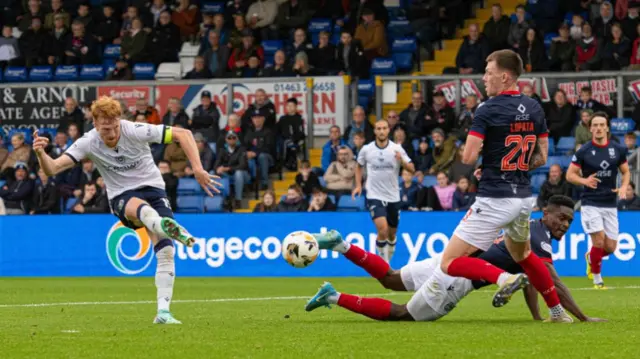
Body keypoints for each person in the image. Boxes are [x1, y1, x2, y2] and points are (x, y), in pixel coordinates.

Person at [31, 96, 221, 324]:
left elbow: (184, 134)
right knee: (146, 212)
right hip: (122, 195)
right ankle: (165, 225)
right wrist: (41, 154)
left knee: (166, 252)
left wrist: (198, 169)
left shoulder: (135, 129)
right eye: (104, 129)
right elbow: (52, 169)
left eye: (113, 127)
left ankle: (163, 313)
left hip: (154, 188)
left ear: (119, 121)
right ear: (95, 124)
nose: (110, 133)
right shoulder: (88, 142)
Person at [427, 50, 572, 322]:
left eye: (488, 72)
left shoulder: (488, 109)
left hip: (494, 199)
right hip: (522, 199)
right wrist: (504, 165)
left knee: (448, 263)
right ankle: (557, 312)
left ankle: (504, 278)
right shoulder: (534, 107)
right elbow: (540, 157)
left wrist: (483, 159)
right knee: (526, 255)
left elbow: (468, 158)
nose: (484, 78)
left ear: (504, 76)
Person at [305, 196, 605, 323]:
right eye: (561, 218)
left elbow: (532, 279)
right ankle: (333, 296)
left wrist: (536, 316)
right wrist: (582, 317)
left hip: (450, 257)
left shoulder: (529, 231)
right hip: (458, 276)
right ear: (545, 214)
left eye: (569, 221)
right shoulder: (538, 237)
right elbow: (551, 281)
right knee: (403, 315)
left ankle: (340, 244)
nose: (565, 225)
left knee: (390, 278)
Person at [566, 112, 631, 290]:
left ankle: (591, 257)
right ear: (590, 128)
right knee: (599, 242)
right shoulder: (584, 151)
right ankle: (597, 279)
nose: (599, 128)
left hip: (610, 203)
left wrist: (624, 187)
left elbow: (625, 171)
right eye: (595, 125)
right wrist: (584, 181)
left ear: (607, 128)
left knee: (610, 248)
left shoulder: (617, 149)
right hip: (590, 202)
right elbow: (570, 175)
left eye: (602, 125)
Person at [353, 119, 415, 263]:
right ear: (375, 131)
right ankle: (382, 263)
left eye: (384, 128)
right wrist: (358, 185)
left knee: (392, 234)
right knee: (383, 229)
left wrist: (402, 161)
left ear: (388, 130)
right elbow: (358, 166)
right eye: (378, 128)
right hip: (374, 195)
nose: (381, 131)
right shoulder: (367, 149)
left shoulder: (397, 149)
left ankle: (391, 247)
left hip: (393, 196)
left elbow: (412, 169)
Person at [214, 131, 249, 209]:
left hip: (243, 175)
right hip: (228, 174)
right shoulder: (222, 150)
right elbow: (216, 164)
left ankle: (238, 200)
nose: (231, 139)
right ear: (226, 139)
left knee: (238, 173)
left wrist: (227, 168)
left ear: (237, 139)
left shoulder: (241, 149)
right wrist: (218, 169)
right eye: (229, 138)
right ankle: (225, 199)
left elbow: (243, 165)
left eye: (233, 138)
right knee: (214, 173)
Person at [244, 113, 276, 190]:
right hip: (253, 156)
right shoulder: (249, 131)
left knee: (262, 156)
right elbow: (245, 145)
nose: (257, 120)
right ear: (252, 120)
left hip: (267, 157)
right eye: (255, 118)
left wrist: (256, 153)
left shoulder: (268, 131)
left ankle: (264, 183)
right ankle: (251, 182)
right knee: (248, 159)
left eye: (259, 118)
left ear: (263, 119)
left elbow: (269, 148)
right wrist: (247, 153)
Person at [277, 98, 305, 171]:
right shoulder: (282, 119)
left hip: (296, 140)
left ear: (296, 107)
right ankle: (285, 163)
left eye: (291, 106)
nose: (289, 107)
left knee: (294, 145)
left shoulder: (299, 118)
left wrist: (294, 139)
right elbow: (278, 131)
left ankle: (294, 164)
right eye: (288, 106)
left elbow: (301, 132)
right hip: (284, 140)